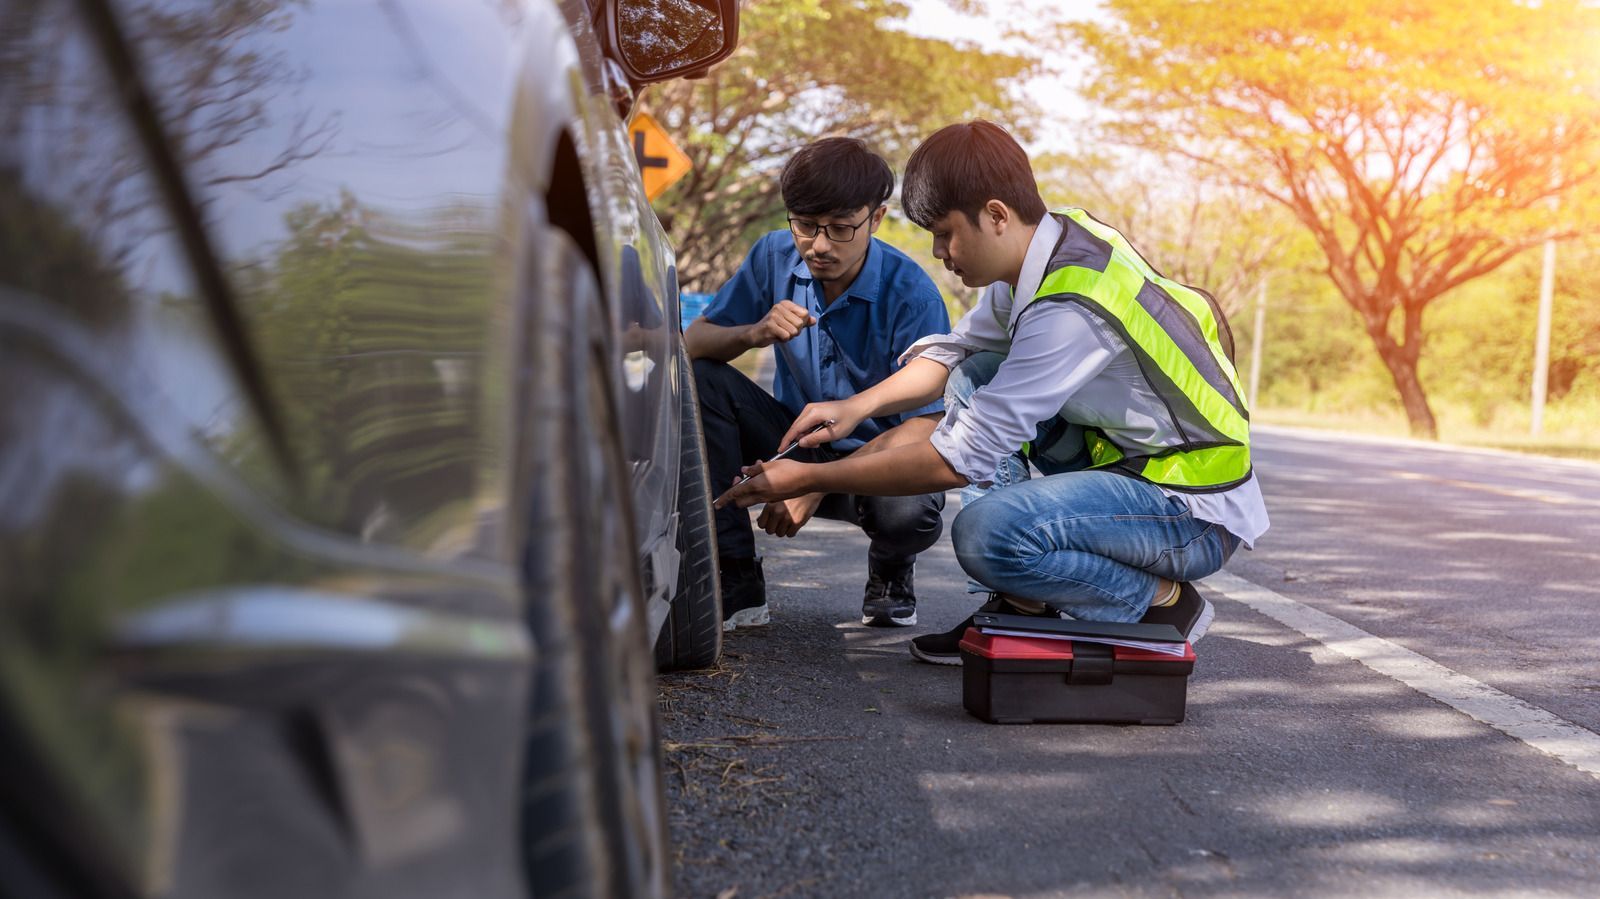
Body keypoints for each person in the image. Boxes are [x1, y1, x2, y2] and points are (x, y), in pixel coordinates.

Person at [715, 120, 1269, 664]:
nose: (938, 252)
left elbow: (959, 460)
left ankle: (1161, 601)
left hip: (1190, 509)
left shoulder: (1068, 307)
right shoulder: (1049, 246)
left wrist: (809, 476)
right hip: (1132, 467)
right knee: (976, 369)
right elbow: (952, 352)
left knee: (986, 535)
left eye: (945, 233)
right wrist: (856, 407)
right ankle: (1019, 607)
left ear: (996, 216)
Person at [686, 137, 952, 631]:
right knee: (702, 382)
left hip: (879, 464)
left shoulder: (912, 294)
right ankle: (736, 576)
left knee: (908, 513)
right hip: (794, 442)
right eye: (805, 225)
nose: (819, 245)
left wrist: (812, 484)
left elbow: (932, 424)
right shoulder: (773, 255)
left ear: (876, 218)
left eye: (840, 228)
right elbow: (694, 343)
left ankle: (892, 567)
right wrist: (753, 332)